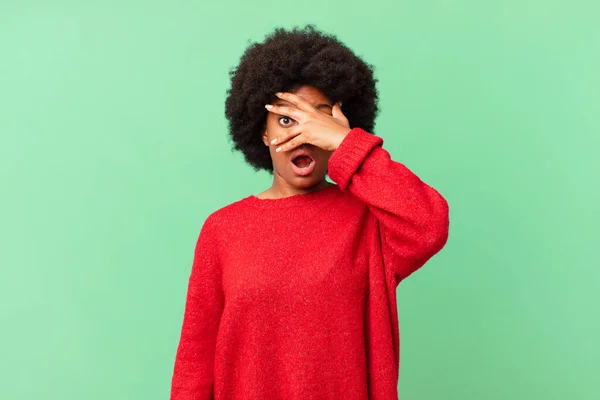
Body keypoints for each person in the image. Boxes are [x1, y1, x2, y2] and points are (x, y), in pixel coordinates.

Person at [170, 24, 450, 400]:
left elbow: (428, 224)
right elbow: (195, 364)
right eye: (287, 121)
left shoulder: (368, 220)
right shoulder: (223, 230)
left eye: (318, 121)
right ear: (263, 132)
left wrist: (346, 143)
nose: (303, 136)